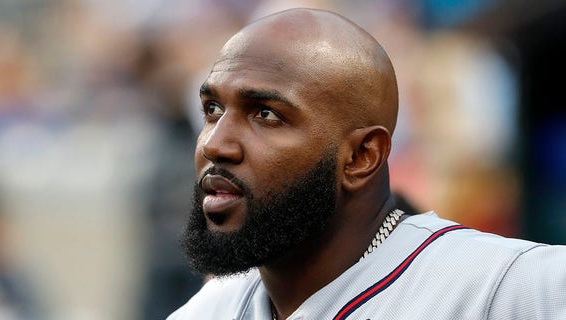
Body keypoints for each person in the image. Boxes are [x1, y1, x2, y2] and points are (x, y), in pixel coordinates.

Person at [168, 8, 566, 320]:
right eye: (213, 109)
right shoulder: (205, 311)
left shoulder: (500, 287)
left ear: (361, 157)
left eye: (267, 115)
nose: (215, 144)